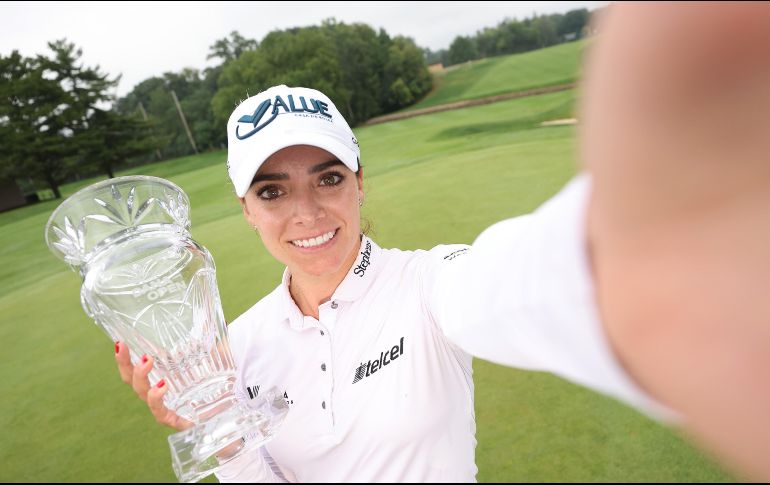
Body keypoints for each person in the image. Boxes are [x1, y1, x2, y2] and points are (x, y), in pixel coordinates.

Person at [115, 3, 770, 482]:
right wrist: (216, 425)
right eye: (273, 191)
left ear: (360, 181)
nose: (307, 211)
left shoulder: (432, 284)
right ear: (245, 208)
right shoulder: (242, 344)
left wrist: (636, 249)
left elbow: (504, 285)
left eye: (329, 176)